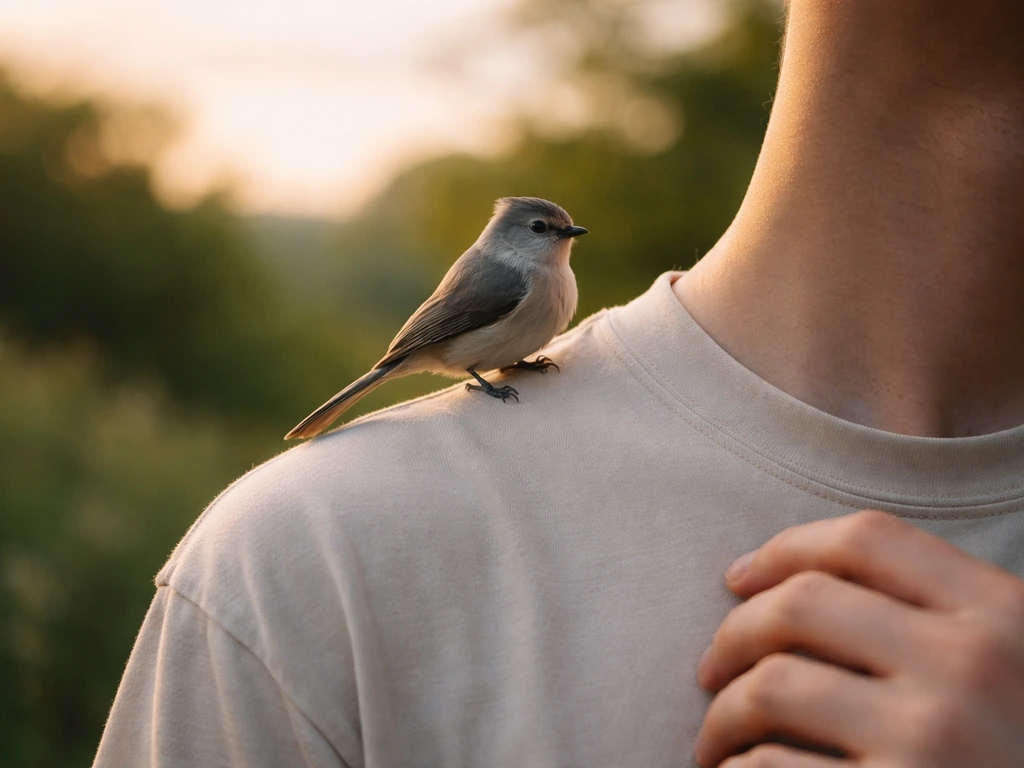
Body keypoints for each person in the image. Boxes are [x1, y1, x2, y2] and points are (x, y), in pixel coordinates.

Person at [93, 1, 1024, 766]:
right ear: (518, 239)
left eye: (562, 232)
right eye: (548, 231)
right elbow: (440, 336)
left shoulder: (546, 285)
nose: (562, 241)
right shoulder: (306, 558)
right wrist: (485, 383)